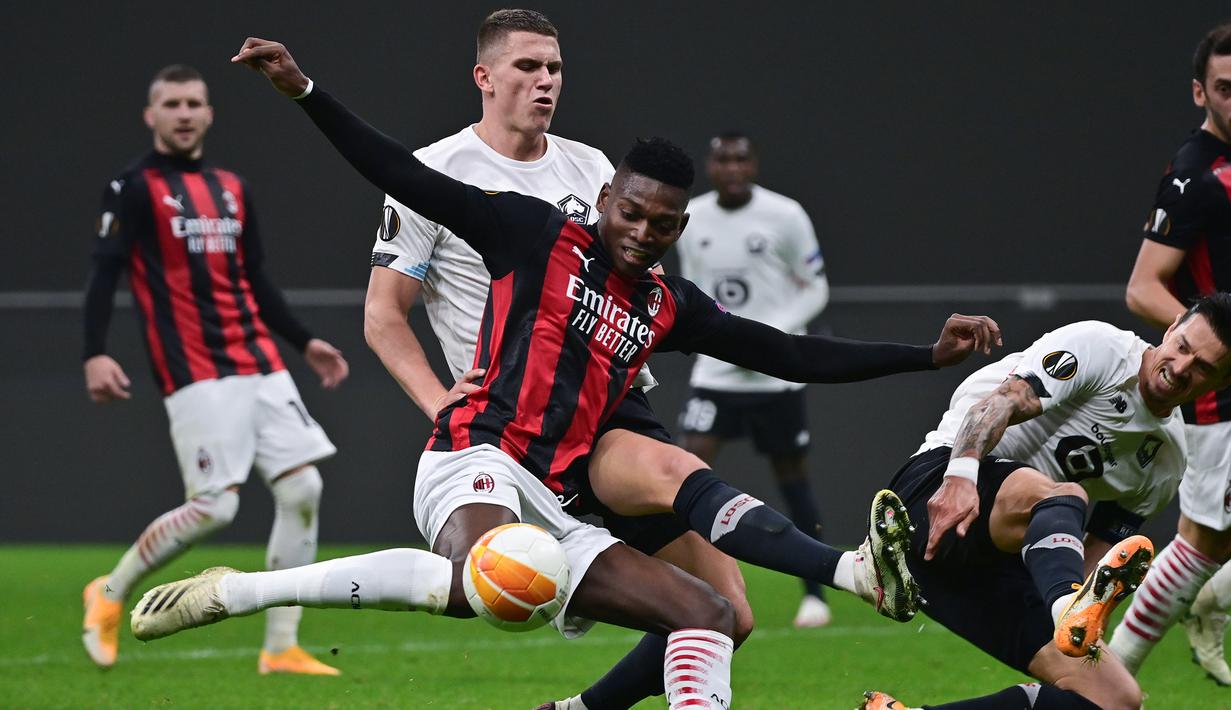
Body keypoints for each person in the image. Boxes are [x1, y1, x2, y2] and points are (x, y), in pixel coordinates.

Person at [130, 38, 999, 710]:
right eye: (629, 212)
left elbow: (790, 352)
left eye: (661, 225)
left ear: (676, 227)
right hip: (478, 451)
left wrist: (924, 354)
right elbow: (398, 172)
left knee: (709, 617)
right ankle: (241, 591)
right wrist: (304, 92)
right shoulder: (534, 233)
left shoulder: (667, 303)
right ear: (605, 200)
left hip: (562, 486)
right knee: (493, 574)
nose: (640, 233)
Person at [363, 13, 758, 708]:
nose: (544, 81)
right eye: (526, 67)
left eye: (553, 68)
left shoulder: (592, 169)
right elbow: (383, 314)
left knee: (731, 613)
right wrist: (438, 402)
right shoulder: (437, 171)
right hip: (520, 432)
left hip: (614, 414)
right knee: (483, 585)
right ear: (483, 78)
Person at [80, 64, 349, 675]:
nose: (183, 113)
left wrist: (305, 343)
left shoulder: (231, 187)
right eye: (170, 103)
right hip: (194, 371)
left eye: (193, 103)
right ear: (151, 115)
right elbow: (103, 274)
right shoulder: (132, 188)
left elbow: (254, 279)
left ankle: (281, 646)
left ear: (208, 114)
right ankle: (110, 593)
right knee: (216, 508)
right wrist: (95, 351)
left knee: (303, 487)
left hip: (259, 359)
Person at [862, 298, 1231, 709]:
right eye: (1182, 346)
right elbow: (1002, 402)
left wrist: (1080, 630)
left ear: (1222, 383)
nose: (1181, 368)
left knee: (1115, 698)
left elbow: (1099, 558)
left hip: (993, 560)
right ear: (1172, 326)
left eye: (1203, 368)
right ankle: (1063, 604)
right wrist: (960, 478)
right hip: (936, 495)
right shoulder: (1102, 348)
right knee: (1065, 496)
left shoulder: (1167, 458)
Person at [1112, 22, 1231, 686]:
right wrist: (1210, 346)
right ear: (1199, 92)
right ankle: (1105, 675)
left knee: (1210, 541)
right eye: (1224, 88)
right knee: (1203, 542)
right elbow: (1141, 287)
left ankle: (1210, 598)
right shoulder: (1195, 175)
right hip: (1219, 389)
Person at [676, 131, 834, 627]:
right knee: (681, 472)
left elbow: (815, 287)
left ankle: (816, 594)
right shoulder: (692, 217)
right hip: (716, 372)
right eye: (723, 159)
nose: (732, 168)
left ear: (754, 164)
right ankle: (685, 585)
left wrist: (772, 336)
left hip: (774, 378)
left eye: (741, 159)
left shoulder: (785, 215)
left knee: (793, 481)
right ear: (711, 165)